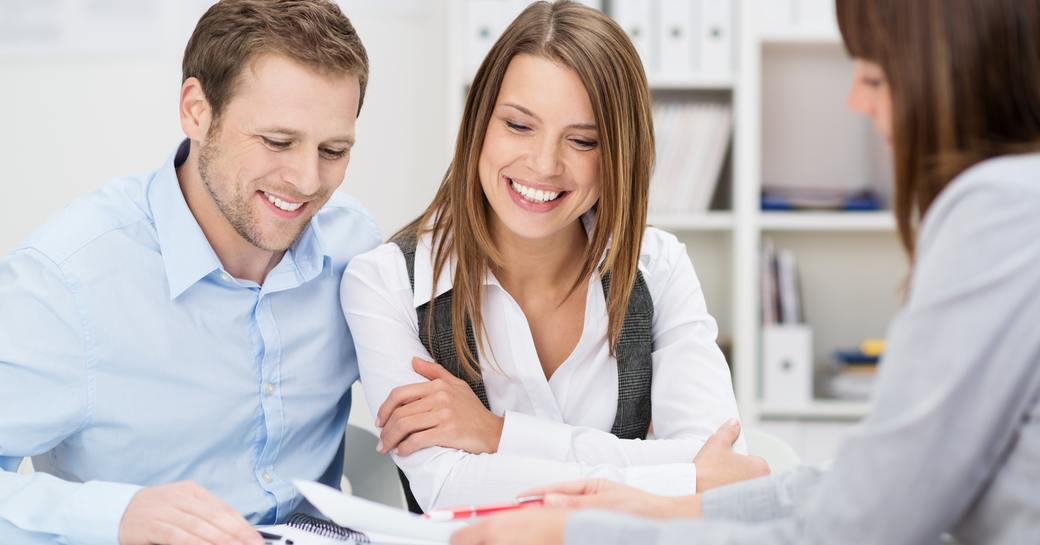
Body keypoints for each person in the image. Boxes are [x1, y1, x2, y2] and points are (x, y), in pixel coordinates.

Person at [450, 0, 1040, 543]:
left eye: (877, 74)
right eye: (519, 124)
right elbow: (872, 482)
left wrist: (580, 533)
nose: (856, 99)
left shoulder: (1000, 210)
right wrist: (674, 505)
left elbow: (859, 522)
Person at [339, 0, 766, 514]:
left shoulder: (657, 267)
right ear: (480, 126)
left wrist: (499, 435)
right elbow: (447, 486)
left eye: (583, 140)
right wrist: (677, 478)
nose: (544, 164)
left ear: (618, 156)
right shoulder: (385, 282)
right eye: (519, 126)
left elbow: (724, 463)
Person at [0, 1, 380, 544]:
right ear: (196, 111)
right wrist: (118, 516)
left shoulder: (353, 245)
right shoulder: (68, 283)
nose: (305, 179)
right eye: (277, 142)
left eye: (334, 150)